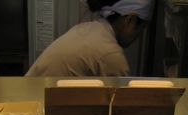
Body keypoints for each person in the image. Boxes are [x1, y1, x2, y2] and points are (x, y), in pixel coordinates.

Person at [25, 0, 154, 77]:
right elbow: (120, 106)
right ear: (130, 20)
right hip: (36, 107)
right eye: (142, 28)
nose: (139, 36)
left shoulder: (88, 28)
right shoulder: (110, 54)